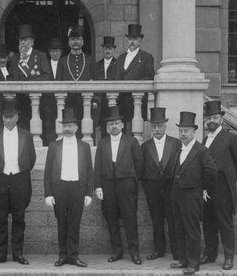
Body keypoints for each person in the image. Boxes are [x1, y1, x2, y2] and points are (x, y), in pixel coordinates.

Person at [0, 99, 37, 266]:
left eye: (11, 116)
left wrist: (19, 170)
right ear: (1, 118)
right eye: (5, 117)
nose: (8, 120)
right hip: (0, 178)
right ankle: (0, 254)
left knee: (19, 218)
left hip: (19, 178)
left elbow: (32, 158)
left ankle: (18, 254)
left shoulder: (26, 135)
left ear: (17, 117)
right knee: (0, 218)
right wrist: (1, 170)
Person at [44, 108, 94, 268]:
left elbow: (89, 171)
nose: (67, 128)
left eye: (70, 125)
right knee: (62, 223)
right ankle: (62, 255)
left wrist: (89, 193)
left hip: (78, 188)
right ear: (61, 127)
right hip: (60, 187)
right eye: (64, 125)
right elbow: (47, 171)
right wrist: (48, 194)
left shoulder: (84, 146)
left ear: (76, 127)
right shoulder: (54, 146)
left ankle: (73, 256)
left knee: (74, 223)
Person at [94, 106, 143, 265]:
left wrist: (133, 182)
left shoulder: (131, 141)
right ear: (107, 127)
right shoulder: (102, 143)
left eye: (116, 123)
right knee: (111, 219)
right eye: (110, 124)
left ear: (122, 125)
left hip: (126, 185)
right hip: (108, 186)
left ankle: (134, 253)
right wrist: (98, 186)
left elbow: (139, 164)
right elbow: (98, 166)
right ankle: (117, 251)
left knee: (130, 218)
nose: (114, 126)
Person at [201, 100, 237, 270]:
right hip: (207, 186)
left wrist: (232, 178)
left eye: (215, 117)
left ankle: (229, 256)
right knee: (208, 221)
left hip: (223, 185)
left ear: (221, 119)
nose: (211, 121)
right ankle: (209, 253)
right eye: (209, 118)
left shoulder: (230, 138)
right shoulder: (205, 139)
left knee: (224, 222)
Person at [170, 111, 217, 276]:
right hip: (177, 194)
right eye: (181, 131)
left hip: (192, 194)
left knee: (192, 230)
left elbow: (212, 171)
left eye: (186, 131)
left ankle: (194, 264)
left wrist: (201, 187)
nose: (183, 134)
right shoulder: (179, 148)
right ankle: (183, 259)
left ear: (194, 132)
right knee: (179, 228)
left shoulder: (201, 150)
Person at [140, 107, 181, 261]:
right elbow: (141, 169)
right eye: (154, 126)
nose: (156, 129)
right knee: (156, 220)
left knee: (173, 219)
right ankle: (159, 250)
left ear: (165, 125)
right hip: (152, 190)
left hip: (171, 189)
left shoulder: (176, 143)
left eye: (160, 126)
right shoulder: (145, 146)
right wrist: (148, 186)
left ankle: (176, 250)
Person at [7, 24, 51, 131]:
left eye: (25, 40)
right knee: (22, 129)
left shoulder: (41, 56)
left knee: (38, 129)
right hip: (20, 101)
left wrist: (30, 84)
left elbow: (47, 76)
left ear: (32, 42)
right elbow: (10, 76)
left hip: (37, 99)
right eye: (21, 40)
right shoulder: (15, 58)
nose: (22, 42)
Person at [113, 24, 155, 129]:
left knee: (135, 130)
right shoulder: (121, 58)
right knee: (120, 129)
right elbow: (116, 77)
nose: (132, 41)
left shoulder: (146, 57)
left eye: (135, 39)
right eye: (130, 38)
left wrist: (133, 84)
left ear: (140, 40)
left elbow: (149, 76)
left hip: (136, 99)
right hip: (121, 100)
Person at [58, 25, 94, 139]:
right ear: (69, 42)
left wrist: (96, 100)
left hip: (85, 102)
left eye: (78, 39)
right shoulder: (62, 61)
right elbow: (58, 84)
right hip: (68, 102)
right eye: (73, 39)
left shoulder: (90, 60)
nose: (75, 42)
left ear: (83, 42)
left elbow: (97, 81)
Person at [40, 37, 64, 145]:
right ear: (49, 52)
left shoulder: (64, 63)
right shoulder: (45, 64)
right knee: (48, 124)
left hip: (62, 100)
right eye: (53, 51)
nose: (55, 54)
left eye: (57, 51)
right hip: (47, 100)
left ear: (61, 52)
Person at [93, 36, 117, 141]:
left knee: (114, 122)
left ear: (113, 50)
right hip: (101, 99)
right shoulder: (97, 65)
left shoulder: (118, 64)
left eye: (110, 49)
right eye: (106, 49)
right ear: (103, 50)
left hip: (113, 98)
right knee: (102, 124)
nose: (108, 51)